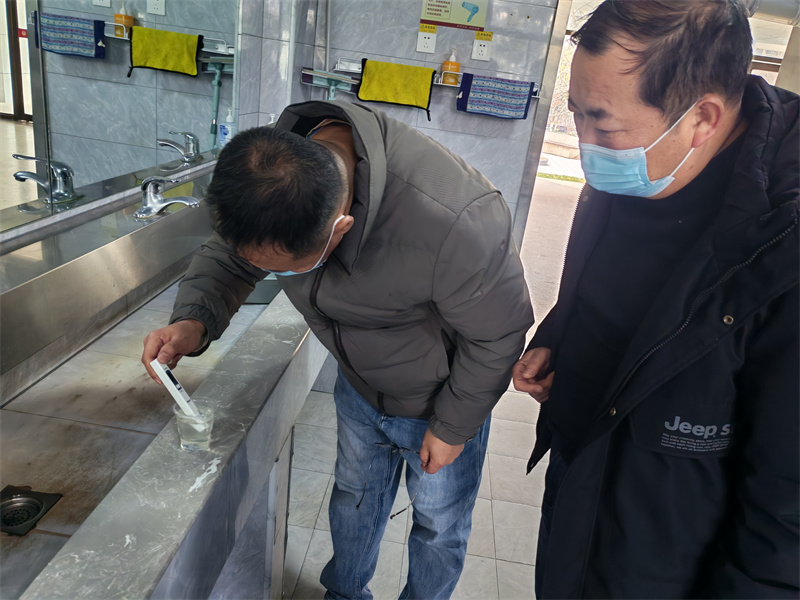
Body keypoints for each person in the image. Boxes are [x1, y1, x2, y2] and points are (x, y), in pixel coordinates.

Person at [142, 101, 534, 599]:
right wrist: (193, 321)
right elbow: (233, 255)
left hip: (441, 399)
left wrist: (453, 426)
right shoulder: (269, 178)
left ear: (340, 228)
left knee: (439, 524)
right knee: (354, 499)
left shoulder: (457, 220)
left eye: (290, 268)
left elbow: (497, 335)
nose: (278, 275)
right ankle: (344, 594)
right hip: (359, 388)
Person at [512, 0, 798, 597]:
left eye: (603, 126)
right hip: (582, 484)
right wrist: (561, 334)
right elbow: (617, 284)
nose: (586, 146)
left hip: (664, 555)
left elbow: (786, 506)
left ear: (703, 118)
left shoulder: (781, 242)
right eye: (576, 115)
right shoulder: (648, 165)